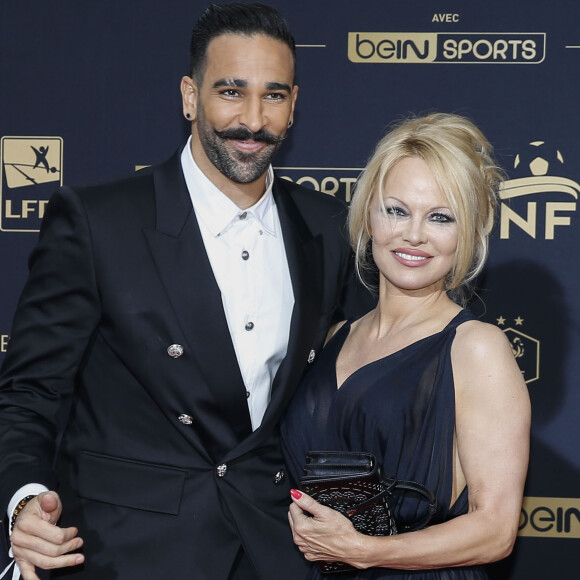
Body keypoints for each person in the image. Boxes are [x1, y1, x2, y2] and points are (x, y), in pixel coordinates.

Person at [0, 4, 371, 579]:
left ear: (294, 104)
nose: (252, 120)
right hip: (126, 550)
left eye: (273, 95)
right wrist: (24, 499)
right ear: (189, 97)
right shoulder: (99, 222)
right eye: (230, 91)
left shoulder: (328, 226)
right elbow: (30, 391)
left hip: (276, 547)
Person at [281, 113, 531, 579]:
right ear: (368, 215)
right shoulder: (336, 337)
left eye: (440, 217)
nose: (413, 234)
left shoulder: (475, 347)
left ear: (468, 234)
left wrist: (365, 550)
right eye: (396, 210)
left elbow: (495, 530)